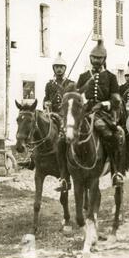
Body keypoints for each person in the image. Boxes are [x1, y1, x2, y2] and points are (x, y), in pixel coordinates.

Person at [76, 40, 126, 186]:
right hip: (85, 111)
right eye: (94, 58)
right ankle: (65, 173)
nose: (96, 60)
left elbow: (116, 100)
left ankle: (116, 171)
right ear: (90, 58)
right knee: (65, 133)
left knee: (109, 135)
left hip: (103, 113)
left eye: (99, 58)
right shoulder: (83, 76)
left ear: (104, 59)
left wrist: (103, 104)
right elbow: (77, 94)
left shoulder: (111, 77)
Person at [43, 52, 76, 192]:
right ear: (53, 69)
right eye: (57, 67)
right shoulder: (49, 85)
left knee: (65, 139)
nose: (59, 70)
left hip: (66, 117)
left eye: (61, 67)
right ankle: (33, 158)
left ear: (65, 69)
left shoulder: (70, 84)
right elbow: (46, 99)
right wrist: (46, 104)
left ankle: (68, 172)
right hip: (52, 115)